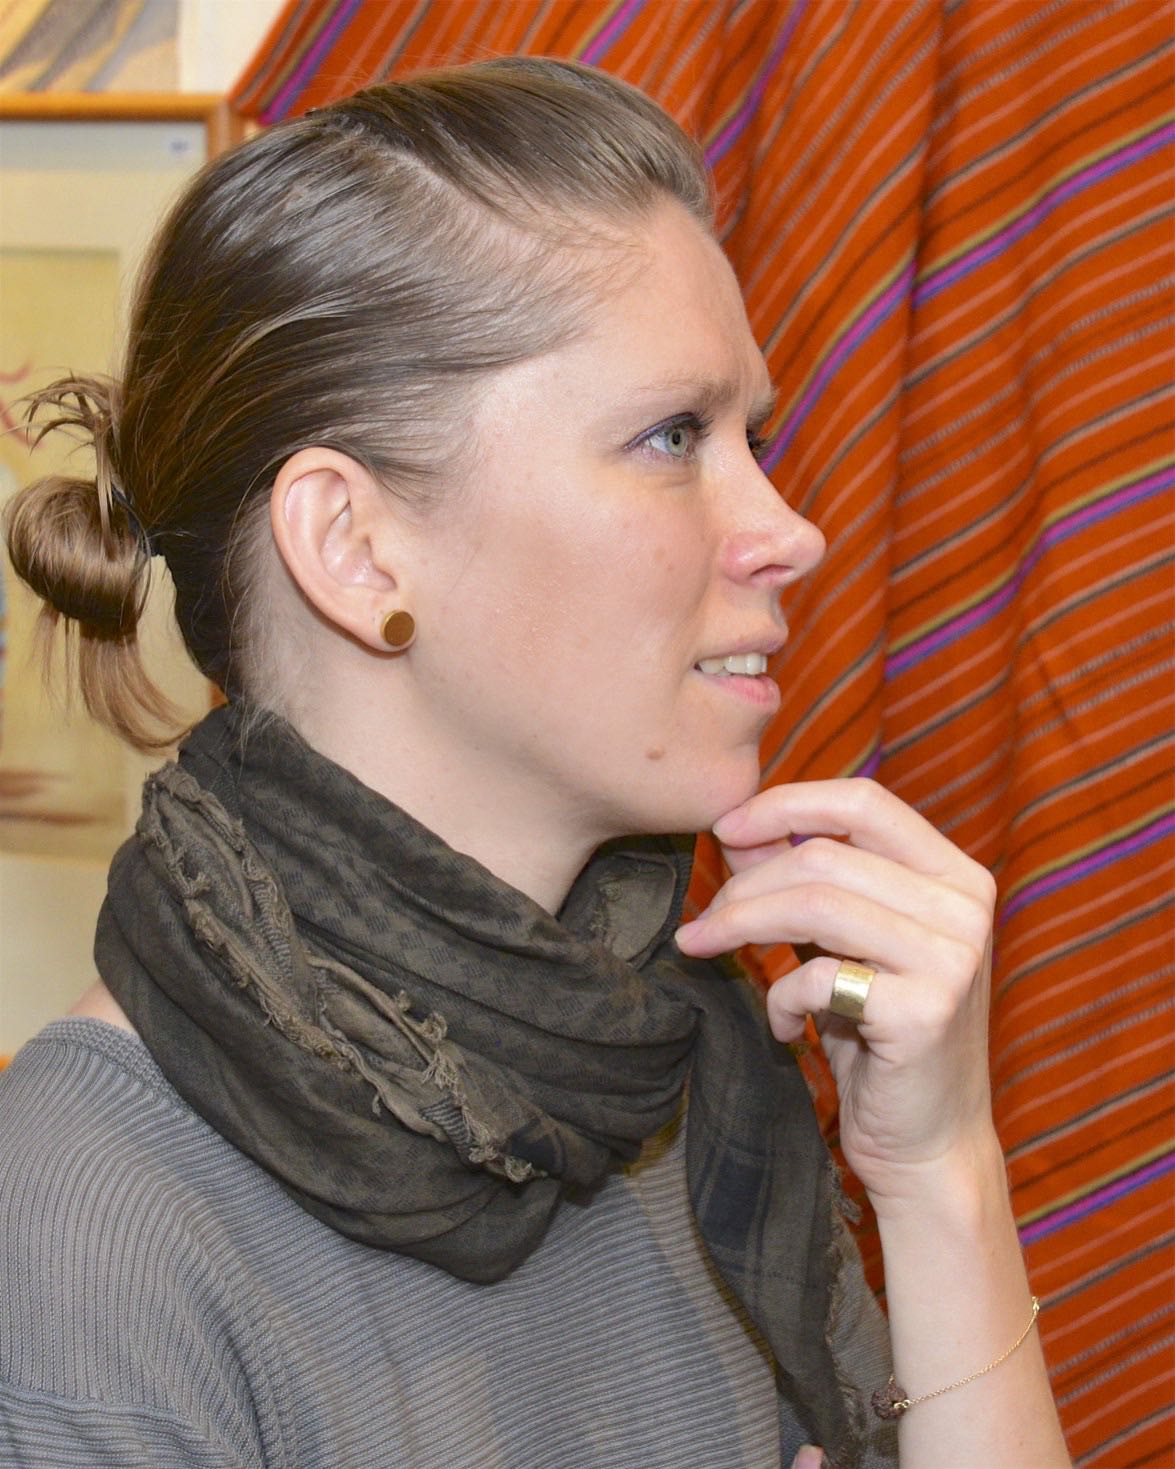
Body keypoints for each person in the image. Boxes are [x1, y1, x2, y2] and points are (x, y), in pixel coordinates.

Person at [0, 58, 1069, 1469]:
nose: (790, 531)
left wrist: (940, 1172)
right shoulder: (81, 1241)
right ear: (355, 548)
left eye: (752, 436)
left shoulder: (684, 1065)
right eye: (672, 437)